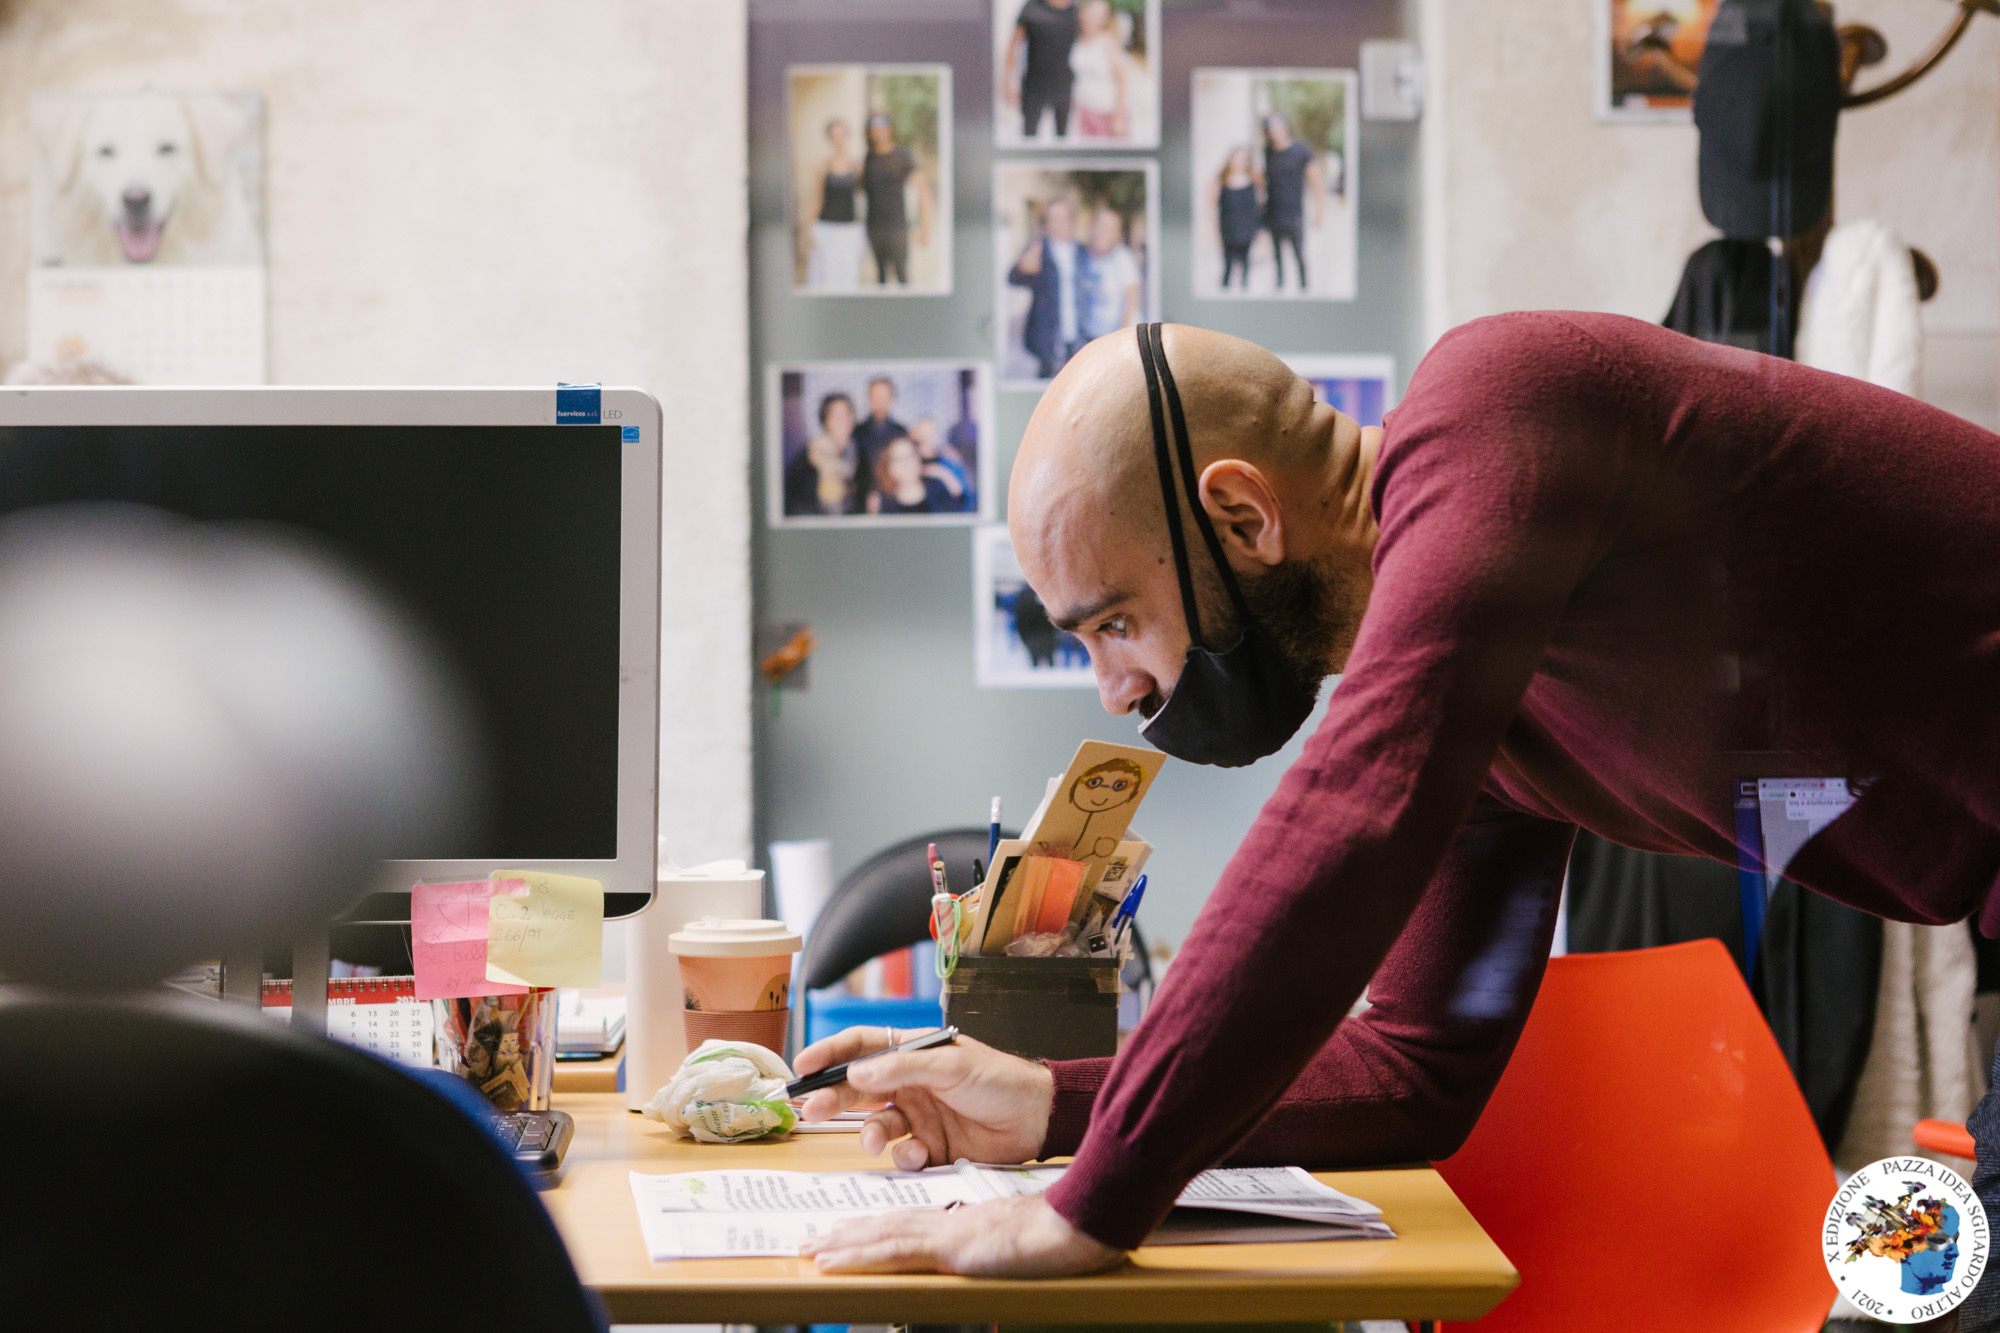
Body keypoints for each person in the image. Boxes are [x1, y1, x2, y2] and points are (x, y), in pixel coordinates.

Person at [788, 315, 2000, 1300]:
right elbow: (1417, 1062)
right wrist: (1052, 1103)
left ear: (1243, 516)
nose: (1116, 689)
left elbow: (1352, 811)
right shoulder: (1489, 704)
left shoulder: (1499, 401)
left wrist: (1090, 1204)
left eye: (1113, 621)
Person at [1007, 196, 1083, 380]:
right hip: (1048, 337)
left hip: (1078, 334)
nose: (1060, 223)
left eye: (1064, 218)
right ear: (1047, 223)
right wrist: (1023, 267)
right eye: (1054, 218)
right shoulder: (1039, 249)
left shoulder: (1082, 251)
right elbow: (1013, 278)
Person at [860, 113, 931, 288]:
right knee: (880, 277)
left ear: (890, 130)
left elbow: (922, 190)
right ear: (869, 133)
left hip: (897, 226)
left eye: (882, 128)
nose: (878, 132)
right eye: (874, 129)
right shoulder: (868, 158)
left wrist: (924, 226)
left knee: (901, 274)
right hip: (874, 227)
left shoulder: (902, 155)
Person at [1262, 113, 1322, 292]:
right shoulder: (1268, 152)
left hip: (1295, 214)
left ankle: (1304, 289)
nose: (1274, 132)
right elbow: (1264, 181)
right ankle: (1279, 289)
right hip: (1273, 213)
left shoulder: (1301, 150)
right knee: (1277, 257)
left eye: (1277, 128)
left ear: (1285, 128)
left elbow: (1316, 181)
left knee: (1299, 255)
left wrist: (1319, 212)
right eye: (1271, 129)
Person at [1003, 0, 1079, 140]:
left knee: (1063, 138)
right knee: (1029, 136)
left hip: (1063, 85)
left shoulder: (1075, 10)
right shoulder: (1032, 8)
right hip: (1034, 85)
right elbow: (1013, 48)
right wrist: (1008, 83)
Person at [802, 119, 862, 291]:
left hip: (849, 229)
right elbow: (817, 198)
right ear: (829, 139)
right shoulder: (822, 167)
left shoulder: (857, 166)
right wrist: (810, 228)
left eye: (841, 135)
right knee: (825, 277)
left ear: (847, 137)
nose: (838, 139)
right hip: (826, 228)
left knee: (847, 276)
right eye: (834, 136)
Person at [781, 391, 859, 517]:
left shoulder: (859, 454)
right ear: (826, 421)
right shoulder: (809, 457)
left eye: (846, 414)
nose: (843, 420)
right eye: (836, 415)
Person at [1076, 207, 1143, 342]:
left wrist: (1121, 338)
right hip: (1090, 338)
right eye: (1101, 226)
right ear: (1093, 227)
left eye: (1111, 229)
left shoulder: (1123, 258)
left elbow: (1132, 301)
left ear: (1117, 234)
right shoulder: (1084, 257)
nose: (1104, 232)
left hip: (1117, 339)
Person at [1067, 0, 1130, 140]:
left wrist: (1119, 119)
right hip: (1084, 112)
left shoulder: (1109, 43)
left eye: (1098, 15)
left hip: (1107, 112)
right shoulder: (1077, 41)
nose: (1092, 19)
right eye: (1090, 13)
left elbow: (1122, 80)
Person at [864, 435, 956, 515]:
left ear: (918, 459)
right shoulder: (881, 501)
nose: (905, 464)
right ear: (889, 466)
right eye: (898, 459)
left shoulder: (937, 489)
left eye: (909, 457)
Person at [1212, 146, 1261, 290]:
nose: (1239, 162)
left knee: (1245, 267)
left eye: (1243, 159)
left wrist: (1260, 232)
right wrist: (1213, 232)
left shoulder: (1254, 180)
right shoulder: (1221, 181)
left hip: (1247, 229)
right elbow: (1212, 208)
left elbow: (1259, 206)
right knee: (1227, 267)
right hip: (1228, 229)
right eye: (1236, 158)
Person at [910, 416, 972, 509]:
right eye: (921, 433)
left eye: (929, 434)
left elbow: (963, 495)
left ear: (935, 436)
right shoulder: (908, 461)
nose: (924, 438)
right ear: (913, 435)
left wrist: (943, 474)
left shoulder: (948, 460)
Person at [851, 376, 907, 479]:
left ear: (892, 398)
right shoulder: (857, 432)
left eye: (884, 396)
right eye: (876, 396)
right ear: (869, 398)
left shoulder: (901, 432)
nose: (880, 401)